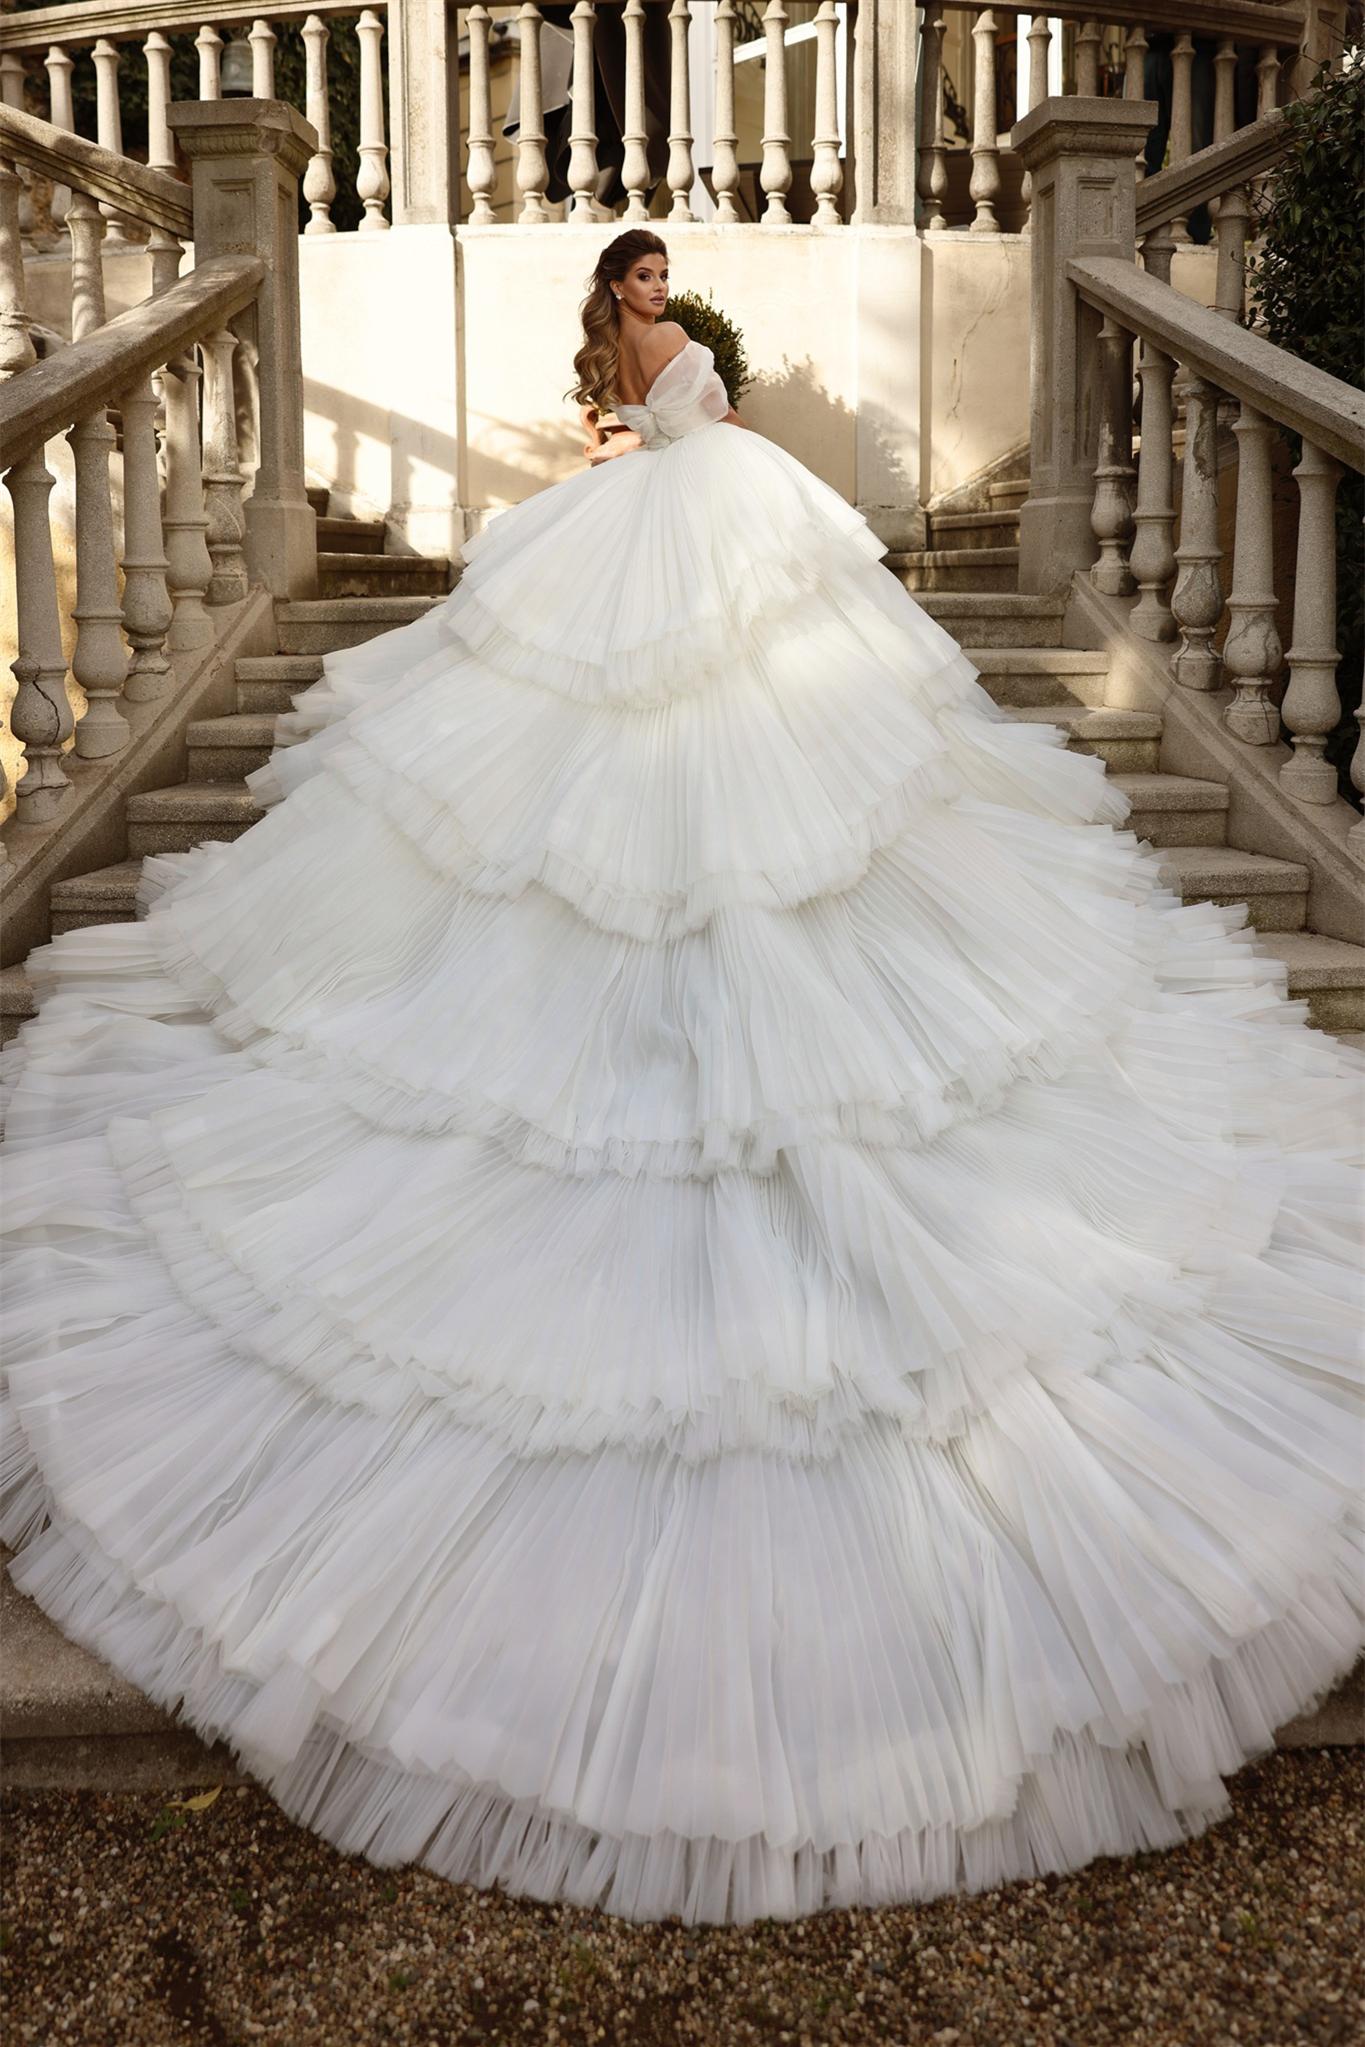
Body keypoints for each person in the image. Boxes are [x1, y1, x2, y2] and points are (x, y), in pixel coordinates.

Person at [2, 228, 1362, 1929]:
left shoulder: (637, 370)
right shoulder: (663, 376)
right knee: (658, 770)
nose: (652, 298)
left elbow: (653, 441)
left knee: (762, 767)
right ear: (626, 297)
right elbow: (677, 441)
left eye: (656, 283)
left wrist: (659, 427)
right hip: (685, 542)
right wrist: (675, 421)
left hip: (680, 542)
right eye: (639, 282)